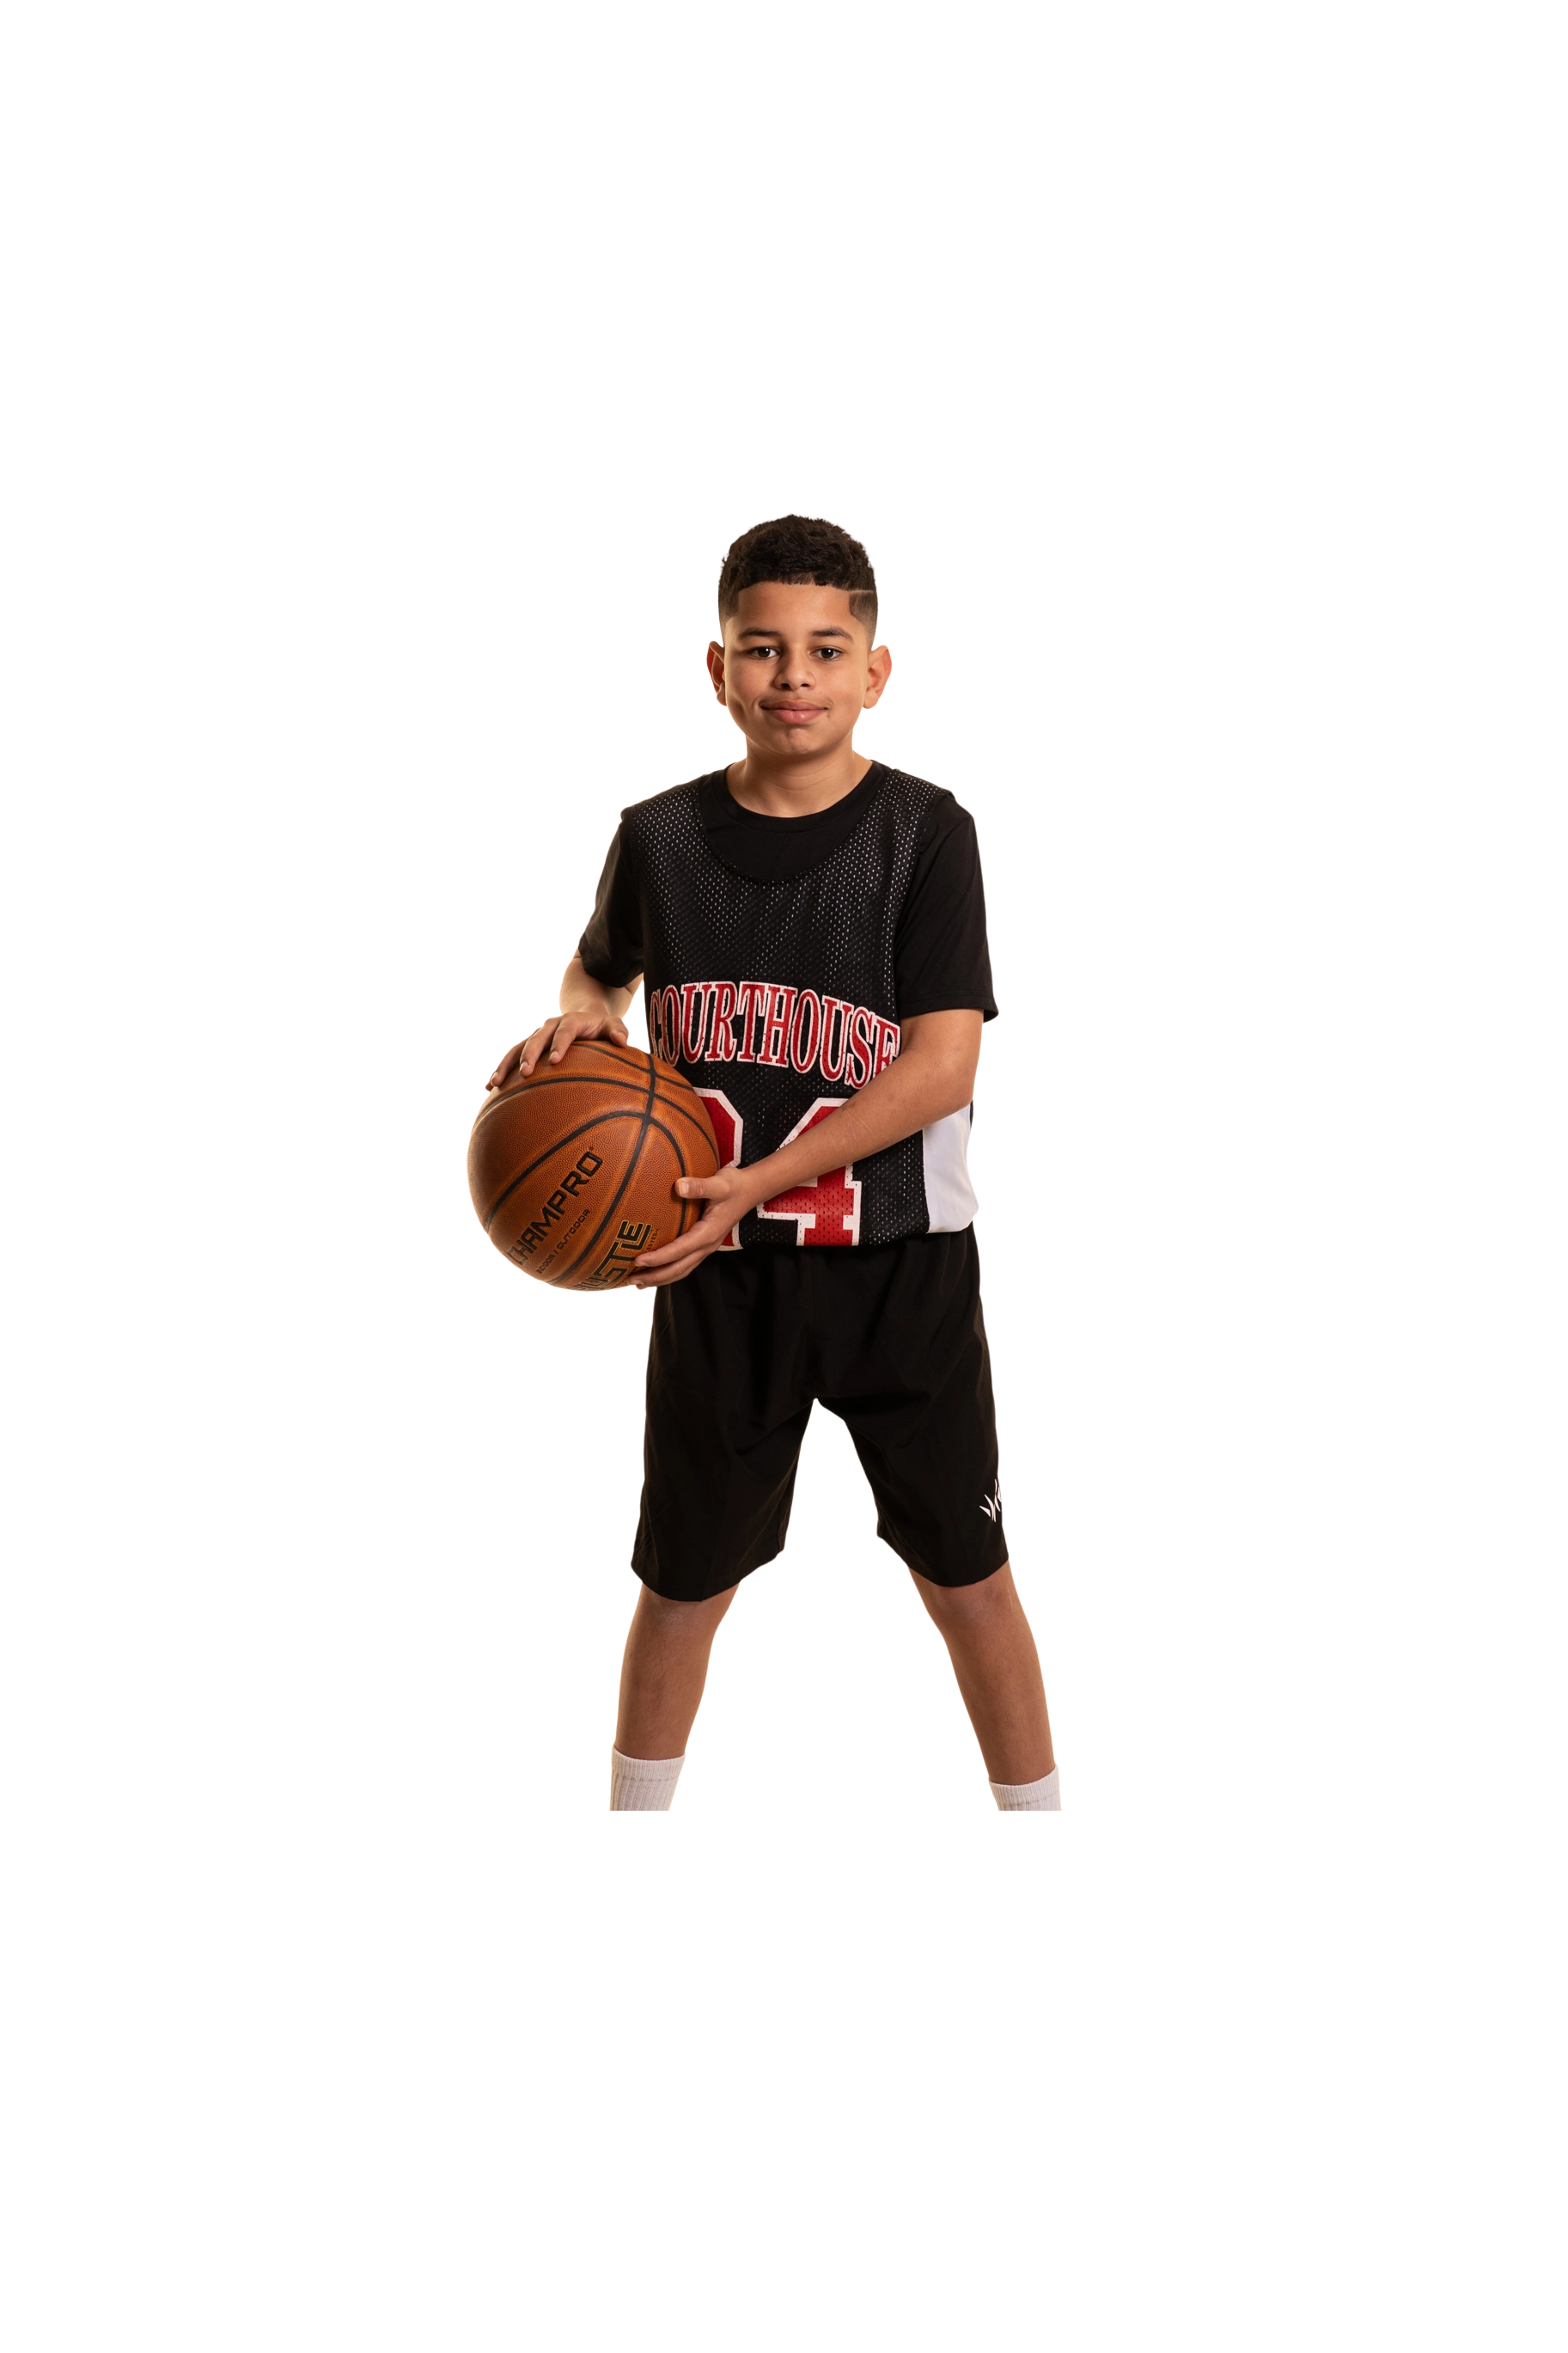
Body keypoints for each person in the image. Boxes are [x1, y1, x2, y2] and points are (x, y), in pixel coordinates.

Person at [485, 514, 1059, 1812]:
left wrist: (759, 1177)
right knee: (681, 1584)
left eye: (825, 648)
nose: (793, 674)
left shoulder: (926, 834)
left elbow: (943, 1066)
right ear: (718, 668)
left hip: (899, 1266)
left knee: (970, 1581)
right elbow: (597, 966)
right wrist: (588, 1015)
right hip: (721, 1273)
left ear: (875, 671)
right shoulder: (659, 837)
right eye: (761, 648)